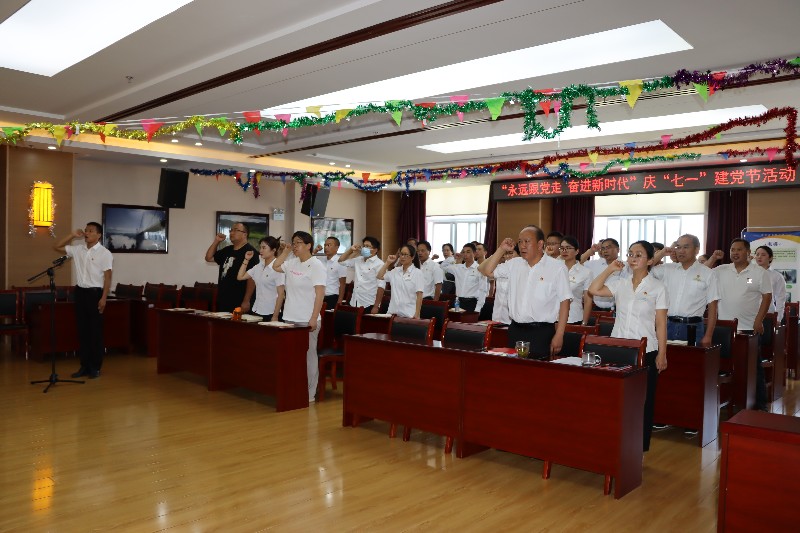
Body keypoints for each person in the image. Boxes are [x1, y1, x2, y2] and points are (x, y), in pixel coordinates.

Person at [588, 240, 668, 452]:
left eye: (639, 255)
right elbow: (593, 289)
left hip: (646, 350)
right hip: (619, 347)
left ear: (650, 260)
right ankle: (616, 441)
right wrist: (610, 269)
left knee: (644, 399)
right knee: (617, 398)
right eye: (631, 254)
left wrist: (662, 353)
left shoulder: (657, 287)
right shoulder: (620, 283)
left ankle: (640, 445)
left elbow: (661, 324)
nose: (633, 258)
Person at [479, 226, 571, 358]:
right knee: (513, 368)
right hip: (515, 329)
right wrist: (501, 249)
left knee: (537, 369)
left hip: (541, 332)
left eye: (527, 241)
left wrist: (559, 334)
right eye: (520, 241)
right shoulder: (514, 264)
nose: (522, 245)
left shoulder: (557, 267)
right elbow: (487, 271)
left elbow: (565, 302)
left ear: (540, 244)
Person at [714, 238, 772, 411]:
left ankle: (759, 405)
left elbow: (767, 297)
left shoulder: (759, 272)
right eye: (732, 249)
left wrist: (759, 320)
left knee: (753, 369)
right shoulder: (721, 270)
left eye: (739, 249)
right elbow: (702, 272)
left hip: (748, 328)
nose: (735, 253)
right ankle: (729, 401)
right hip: (724, 328)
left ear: (748, 252)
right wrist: (714, 258)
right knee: (724, 366)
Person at [272, 231, 326, 403]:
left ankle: (310, 392)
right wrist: (286, 251)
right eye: (293, 243)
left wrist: (314, 318)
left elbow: (320, 295)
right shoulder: (292, 262)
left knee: (309, 357)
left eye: (298, 243)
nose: (295, 246)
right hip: (290, 317)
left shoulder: (316, 265)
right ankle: (294, 388)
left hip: (307, 319)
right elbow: (276, 266)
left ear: (309, 245)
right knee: (292, 356)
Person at [54, 223, 113, 379]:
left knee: (95, 332)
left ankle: (95, 367)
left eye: (91, 231)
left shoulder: (104, 253)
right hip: (80, 293)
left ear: (99, 235)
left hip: (95, 294)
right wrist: (72, 235)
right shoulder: (78, 249)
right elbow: (57, 246)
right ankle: (84, 366)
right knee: (83, 331)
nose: (87, 233)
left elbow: (108, 277)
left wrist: (104, 298)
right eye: (86, 230)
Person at [652, 234, 720, 347]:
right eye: (678, 247)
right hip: (668, 325)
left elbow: (713, 307)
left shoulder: (708, 273)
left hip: (693, 327)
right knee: (664, 357)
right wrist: (662, 253)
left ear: (696, 250)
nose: (681, 251)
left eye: (686, 247)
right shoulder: (667, 269)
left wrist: (708, 335)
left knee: (691, 358)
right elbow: (644, 269)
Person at [204, 222, 257, 312]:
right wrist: (217, 241)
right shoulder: (227, 250)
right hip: (223, 298)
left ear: (245, 234)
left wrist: (246, 300)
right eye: (231, 230)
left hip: (239, 300)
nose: (232, 233)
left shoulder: (250, 252)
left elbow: (252, 278)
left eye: (236, 230)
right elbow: (208, 258)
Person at [237, 236, 285, 321]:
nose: (260, 251)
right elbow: (240, 277)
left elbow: (281, 295)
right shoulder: (258, 267)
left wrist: (275, 316)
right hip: (257, 310)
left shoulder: (278, 269)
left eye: (264, 248)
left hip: (271, 312)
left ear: (273, 250)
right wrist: (246, 259)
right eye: (260, 247)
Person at [338, 236, 386, 313]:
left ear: (375, 250)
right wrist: (351, 250)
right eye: (364, 246)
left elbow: (381, 286)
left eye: (368, 246)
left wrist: (376, 306)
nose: (364, 248)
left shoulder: (379, 264)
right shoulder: (358, 260)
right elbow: (341, 261)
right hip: (355, 302)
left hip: (369, 303)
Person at [377, 244, 424, 318]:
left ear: (412, 257)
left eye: (405, 255)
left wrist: (417, 314)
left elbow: (419, 295)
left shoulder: (417, 273)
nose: (402, 257)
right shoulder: (395, 271)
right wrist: (387, 262)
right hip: (393, 313)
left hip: (409, 315)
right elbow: (379, 276)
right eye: (401, 254)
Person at [580, 238, 628, 310]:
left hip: (617, 309)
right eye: (603, 248)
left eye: (608, 248)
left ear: (618, 250)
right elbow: (578, 264)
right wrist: (590, 251)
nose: (605, 251)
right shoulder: (596, 264)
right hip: (596, 308)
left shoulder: (626, 266)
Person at [443, 243, 488, 312]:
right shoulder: (458, 267)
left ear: (474, 253)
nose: (465, 254)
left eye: (468, 252)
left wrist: (478, 309)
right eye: (463, 252)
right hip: (458, 302)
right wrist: (452, 258)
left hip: (472, 303)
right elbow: (443, 266)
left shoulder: (479, 269)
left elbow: (483, 290)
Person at [559, 236, 593, 325]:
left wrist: (584, 323)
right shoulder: (555, 268)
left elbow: (588, 301)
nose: (564, 251)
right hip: (553, 317)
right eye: (562, 248)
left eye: (568, 248)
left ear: (577, 251)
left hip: (573, 318)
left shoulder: (586, 272)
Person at [754, 245, 788, 324]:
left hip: (768, 314)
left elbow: (780, 298)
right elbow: (748, 286)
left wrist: (778, 318)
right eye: (757, 254)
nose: (759, 257)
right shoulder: (751, 274)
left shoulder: (777, 276)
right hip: (749, 314)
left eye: (763, 255)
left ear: (770, 258)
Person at [313, 237, 347, 310]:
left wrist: (339, 301)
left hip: (332, 297)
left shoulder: (340, 262)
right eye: (325, 245)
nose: (326, 247)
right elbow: (308, 259)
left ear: (336, 248)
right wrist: (316, 250)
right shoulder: (321, 260)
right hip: (319, 296)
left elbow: (342, 283)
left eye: (329, 245)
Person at [490, 245, 520, 325]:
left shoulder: (522, 270)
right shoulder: (501, 267)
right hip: (497, 316)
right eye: (505, 254)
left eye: (510, 253)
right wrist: (497, 255)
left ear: (519, 254)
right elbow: (483, 270)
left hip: (512, 320)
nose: (507, 256)